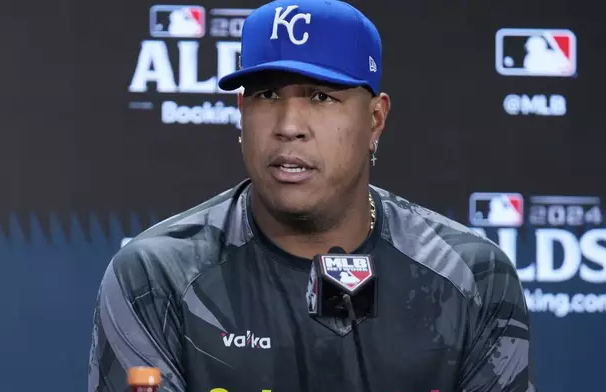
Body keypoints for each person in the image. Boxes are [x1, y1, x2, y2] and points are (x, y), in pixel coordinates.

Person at [88, 0, 536, 391]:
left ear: (376, 120)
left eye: (321, 97)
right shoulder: (154, 277)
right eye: (267, 95)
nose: (288, 125)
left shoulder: (472, 277)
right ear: (242, 113)